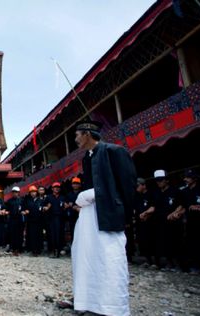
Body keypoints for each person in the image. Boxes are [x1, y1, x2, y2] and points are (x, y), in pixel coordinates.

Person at [61, 119, 136, 316]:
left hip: (109, 213)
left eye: (77, 135)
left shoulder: (115, 152)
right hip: (90, 214)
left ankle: (110, 306)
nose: (76, 139)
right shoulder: (87, 157)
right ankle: (87, 300)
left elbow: (127, 186)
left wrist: (125, 214)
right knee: (85, 256)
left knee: (108, 258)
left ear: (86, 134)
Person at [153, 169, 186, 271]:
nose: (159, 182)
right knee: (164, 243)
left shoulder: (175, 191)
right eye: (157, 180)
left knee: (176, 243)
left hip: (174, 222)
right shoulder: (157, 193)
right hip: (160, 222)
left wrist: (175, 212)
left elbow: (182, 204)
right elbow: (154, 207)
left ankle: (179, 265)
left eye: (161, 180)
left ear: (166, 180)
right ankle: (169, 263)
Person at [134, 178, 157, 267]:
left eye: (138, 185)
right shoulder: (138, 196)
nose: (137, 188)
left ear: (144, 185)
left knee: (152, 241)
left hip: (150, 221)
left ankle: (156, 262)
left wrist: (145, 213)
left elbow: (153, 207)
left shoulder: (151, 194)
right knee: (142, 241)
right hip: (140, 222)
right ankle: (147, 260)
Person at [43, 182, 65, 258]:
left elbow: (65, 207)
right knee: (52, 235)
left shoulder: (62, 197)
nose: (56, 188)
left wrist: (66, 206)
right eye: (55, 187)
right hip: (51, 218)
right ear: (52, 189)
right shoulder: (48, 197)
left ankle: (58, 251)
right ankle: (52, 250)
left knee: (59, 234)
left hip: (60, 218)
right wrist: (46, 208)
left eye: (58, 187)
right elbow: (43, 207)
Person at [24, 185, 44, 256]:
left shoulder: (41, 201)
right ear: (29, 193)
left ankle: (38, 249)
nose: (33, 193)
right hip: (31, 221)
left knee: (39, 235)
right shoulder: (27, 201)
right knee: (31, 235)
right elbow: (25, 208)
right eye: (31, 192)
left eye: (34, 192)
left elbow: (43, 210)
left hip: (39, 221)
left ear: (36, 192)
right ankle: (33, 250)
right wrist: (25, 211)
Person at [6, 186, 25, 256]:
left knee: (19, 235)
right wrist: (6, 212)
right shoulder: (9, 201)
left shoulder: (22, 201)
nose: (15, 193)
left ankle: (19, 249)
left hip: (20, 219)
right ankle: (13, 249)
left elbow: (25, 209)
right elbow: (6, 210)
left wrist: (24, 212)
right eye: (13, 192)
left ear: (18, 193)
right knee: (12, 235)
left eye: (16, 192)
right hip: (12, 220)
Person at [64, 177, 82, 247]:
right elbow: (65, 205)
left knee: (81, 232)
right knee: (72, 231)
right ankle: (73, 247)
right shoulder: (69, 194)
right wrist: (68, 205)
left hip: (81, 216)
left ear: (80, 185)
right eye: (74, 184)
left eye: (77, 184)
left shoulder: (82, 193)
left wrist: (76, 206)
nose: (75, 185)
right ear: (72, 185)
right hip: (72, 216)